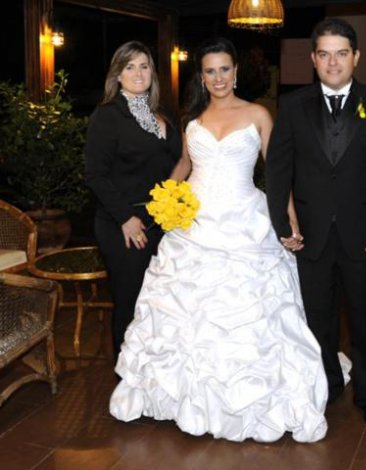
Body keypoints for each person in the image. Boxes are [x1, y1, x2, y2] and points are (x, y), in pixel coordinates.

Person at [108, 36, 328, 443]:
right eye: (210, 71)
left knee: (247, 311)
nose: (219, 77)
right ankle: (179, 397)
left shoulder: (259, 114)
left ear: (236, 71)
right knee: (183, 313)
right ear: (202, 77)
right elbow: (184, 164)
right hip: (195, 225)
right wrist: (162, 200)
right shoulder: (192, 120)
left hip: (245, 223)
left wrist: (290, 222)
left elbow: (278, 174)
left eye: (225, 69)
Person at [265, 18, 366, 431]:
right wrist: (283, 225)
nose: (333, 62)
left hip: (365, 237)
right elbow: (278, 170)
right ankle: (327, 383)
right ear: (313, 58)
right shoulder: (292, 105)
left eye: (341, 53)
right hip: (311, 237)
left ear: (356, 57)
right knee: (317, 320)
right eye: (324, 54)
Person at [85, 41, 182, 362]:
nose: (138, 73)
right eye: (129, 67)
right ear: (117, 75)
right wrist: (125, 218)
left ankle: (155, 370)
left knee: (161, 301)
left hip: (162, 222)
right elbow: (95, 175)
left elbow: (179, 164)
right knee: (131, 302)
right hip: (123, 224)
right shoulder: (107, 115)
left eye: (144, 66)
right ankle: (126, 373)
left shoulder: (163, 113)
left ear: (152, 72)